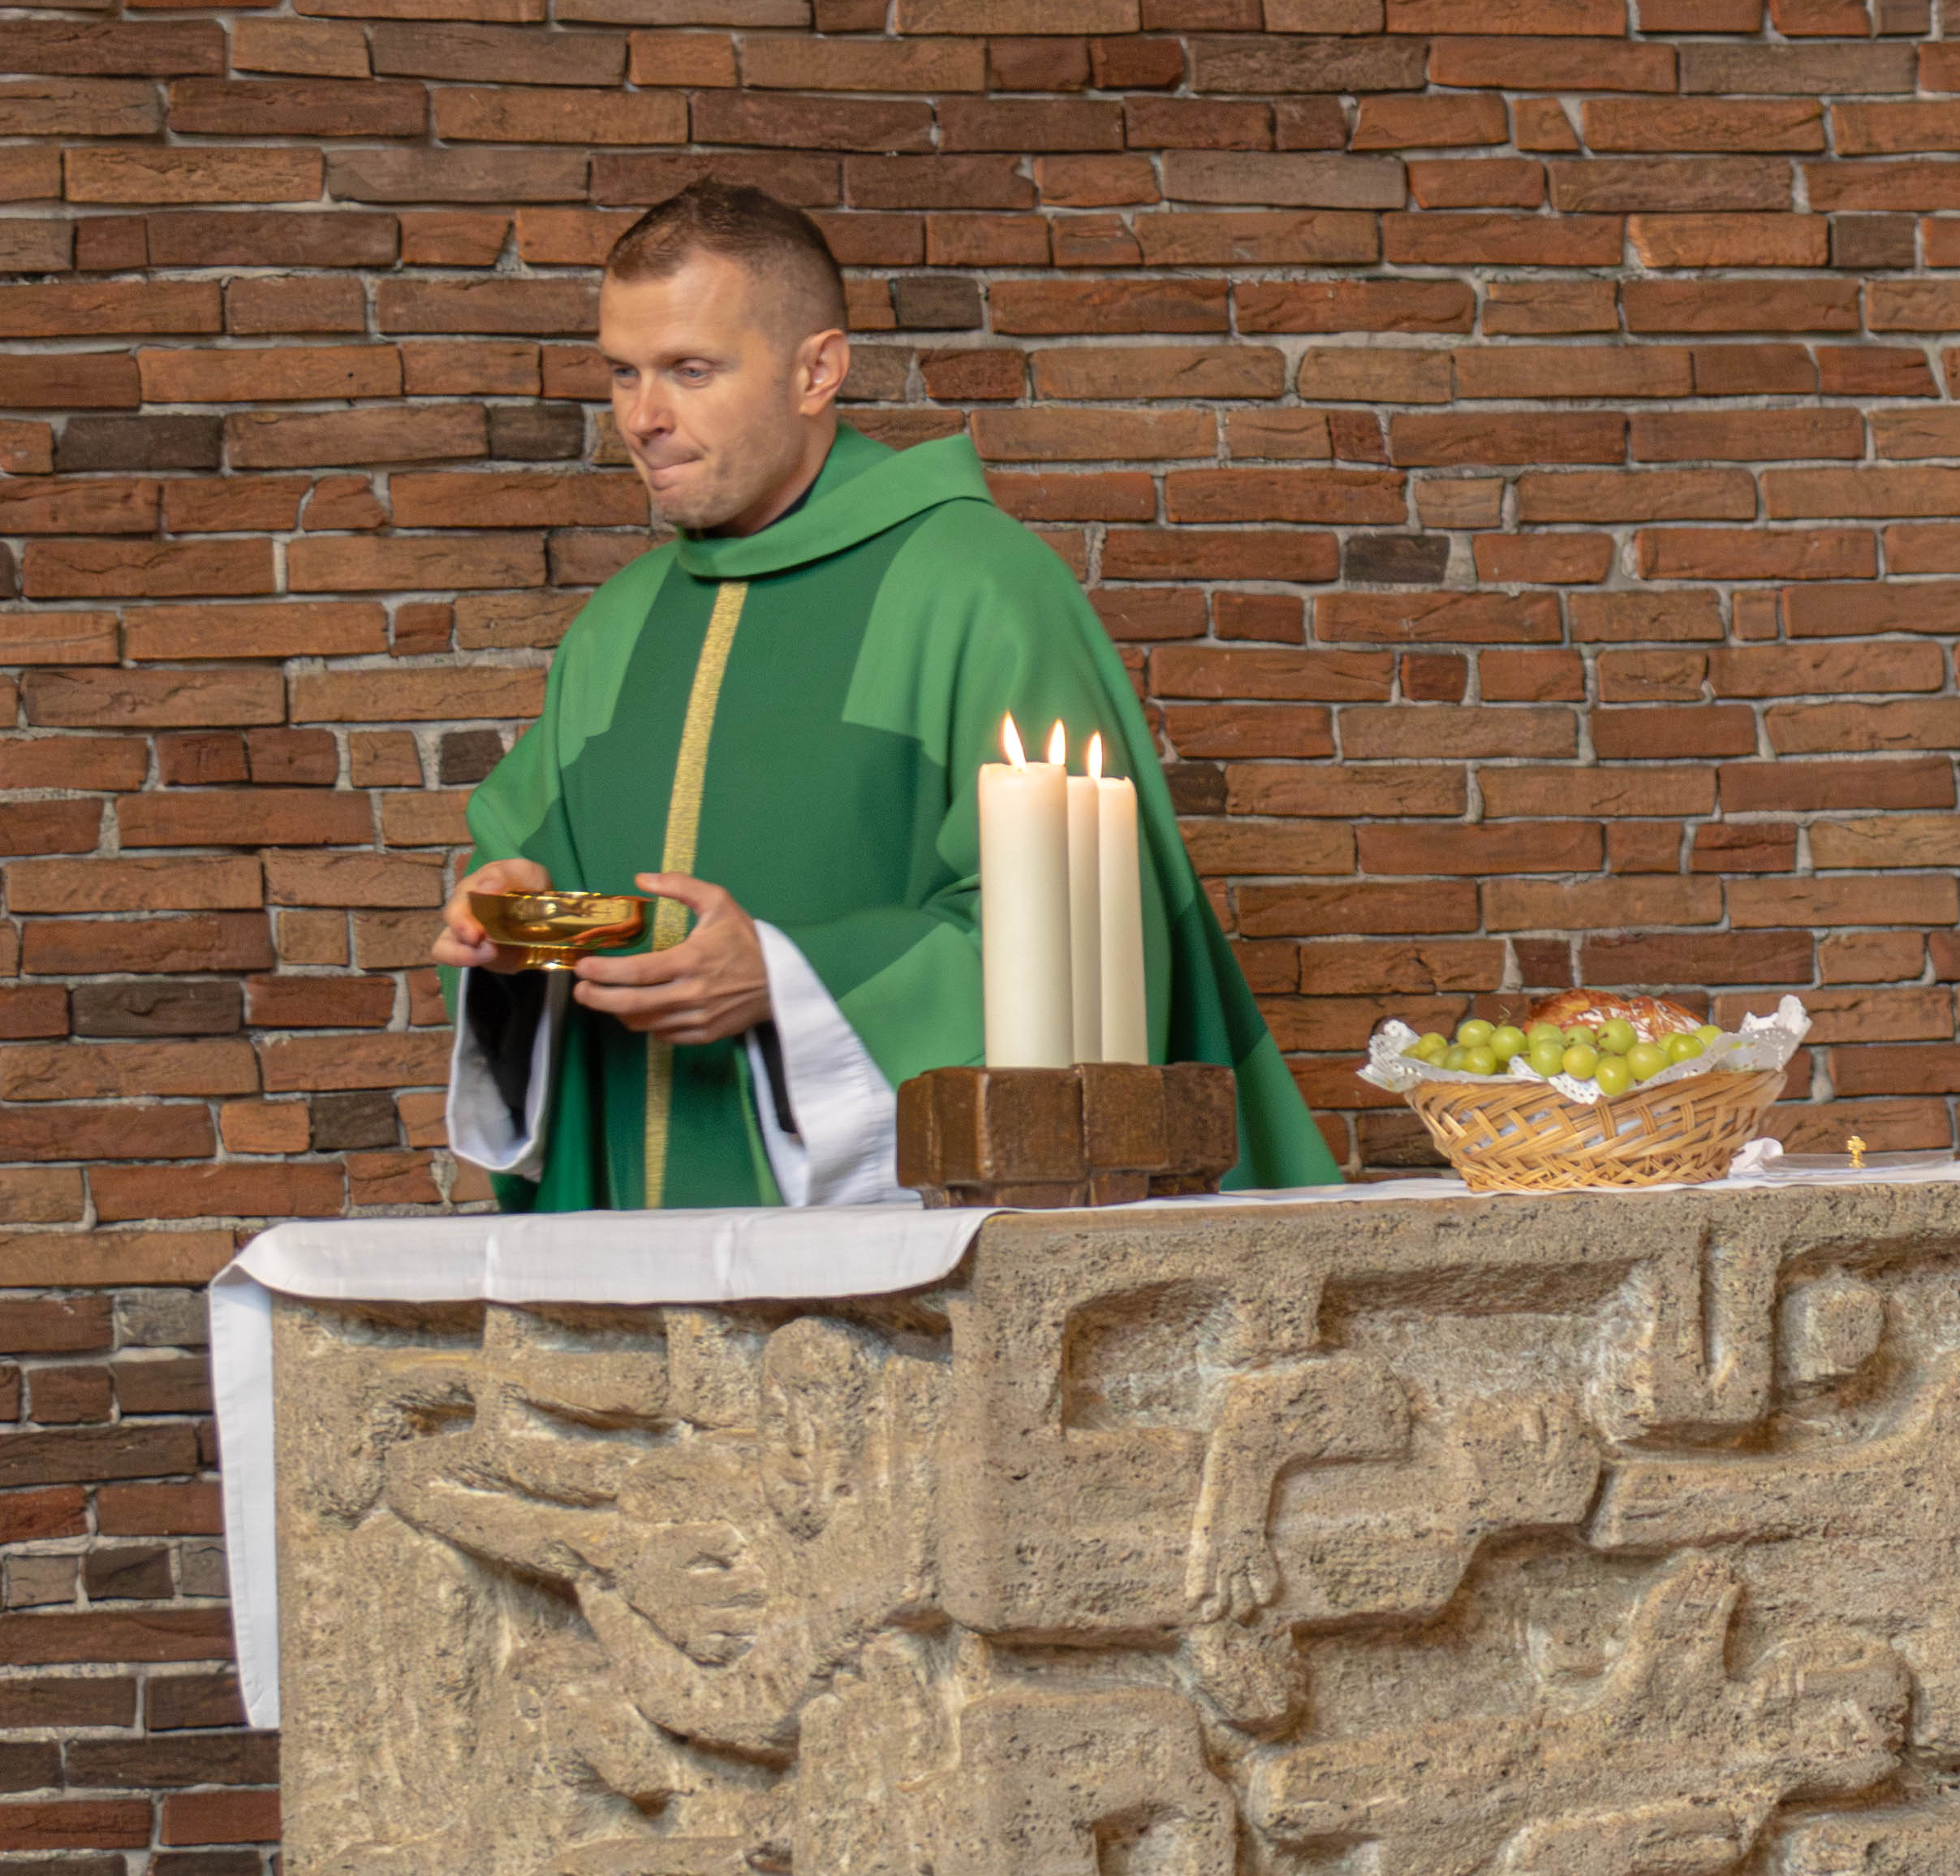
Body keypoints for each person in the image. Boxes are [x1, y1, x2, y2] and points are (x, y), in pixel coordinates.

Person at [429, 181, 1334, 1210]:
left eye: (691, 370)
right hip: (628, 1245)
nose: (644, 418)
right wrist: (506, 933)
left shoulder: (975, 587)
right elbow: (524, 887)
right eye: (623, 371)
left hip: (892, 1257)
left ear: (817, 370)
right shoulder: (619, 625)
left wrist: (788, 978)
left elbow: (1088, 942)